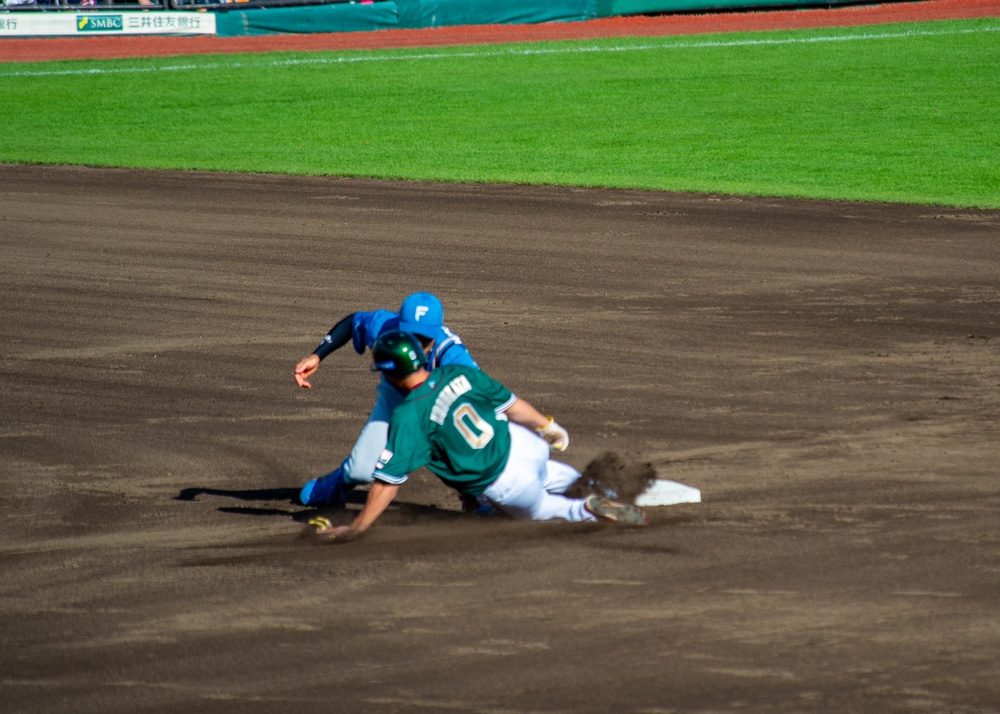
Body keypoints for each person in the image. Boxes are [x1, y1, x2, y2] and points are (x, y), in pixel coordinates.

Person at [310, 331, 648, 542]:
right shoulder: (457, 372)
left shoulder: (409, 415)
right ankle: (603, 488)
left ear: (390, 373)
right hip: (523, 444)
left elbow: (387, 481)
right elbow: (511, 404)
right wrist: (547, 426)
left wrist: (358, 527)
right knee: (558, 475)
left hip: (505, 480)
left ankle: (589, 509)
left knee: (545, 508)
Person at [296, 292, 491, 507]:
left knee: (469, 445)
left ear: (436, 333)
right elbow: (354, 322)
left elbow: (482, 393)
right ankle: (340, 480)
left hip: (437, 404)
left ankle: (474, 498)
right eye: (410, 335)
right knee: (362, 471)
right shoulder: (385, 326)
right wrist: (317, 355)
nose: (416, 343)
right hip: (396, 395)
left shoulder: (451, 353)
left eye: (424, 338)